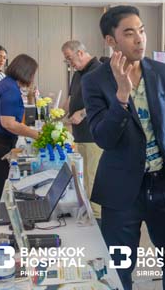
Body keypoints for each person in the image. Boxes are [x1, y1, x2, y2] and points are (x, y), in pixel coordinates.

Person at [81, 5, 165, 290]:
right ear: (111, 40)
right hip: (120, 189)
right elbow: (103, 138)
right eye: (129, 33)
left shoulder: (161, 72)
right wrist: (121, 97)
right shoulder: (94, 81)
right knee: (120, 269)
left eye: (141, 30)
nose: (139, 38)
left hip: (163, 183)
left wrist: (154, 147)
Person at [0, 54, 40, 210]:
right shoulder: (10, 89)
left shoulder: (8, 84)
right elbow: (8, 123)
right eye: (32, 73)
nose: (32, 78)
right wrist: (37, 135)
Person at [61, 40, 103, 220]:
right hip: (79, 135)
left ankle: (98, 221)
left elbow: (106, 101)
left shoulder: (99, 71)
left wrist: (83, 113)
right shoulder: (78, 74)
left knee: (93, 180)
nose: (69, 63)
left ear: (80, 53)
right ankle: (89, 215)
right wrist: (58, 114)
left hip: (94, 136)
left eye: (69, 58)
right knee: (83, 179)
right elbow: (71, 99)